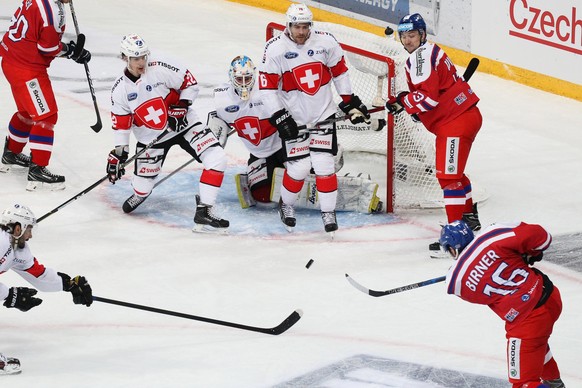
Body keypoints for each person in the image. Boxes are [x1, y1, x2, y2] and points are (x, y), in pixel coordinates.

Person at [212, 55, 382, 214]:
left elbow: (306, 106)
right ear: (231, 77)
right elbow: (218, 121)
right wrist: (215, 138)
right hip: (260, 153)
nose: (243, 83)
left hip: (285, 143)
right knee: (264, 197)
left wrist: (345, 110)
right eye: (239, 79)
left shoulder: (268, 91)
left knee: (307, 173)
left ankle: (329, 157)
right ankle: (280, 174)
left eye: (247, 78)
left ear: (254, 76)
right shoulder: (222, 99)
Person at [258, 3, 371, 234]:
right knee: (299, 168)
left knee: (324, 165)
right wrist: (279, 116)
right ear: (288, 25)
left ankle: (328, 212)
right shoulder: (275, 49)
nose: (301, 31)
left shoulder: (326, 42)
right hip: (294, 119)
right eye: (297, 26)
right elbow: (267, 88)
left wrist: (348, 101)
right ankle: (286, 205)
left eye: (305, 26)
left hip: (323, 116)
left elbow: (340, 71)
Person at [107, 34, 228, 233]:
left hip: (184, 125)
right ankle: (141, 192)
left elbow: (190, 82)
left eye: (143, 56)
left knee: (217, 158)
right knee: (142, 187)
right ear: (124, 58)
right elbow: (121, 126)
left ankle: (205, 210)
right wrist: (119, 154)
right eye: (136, 58)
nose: (141, 62)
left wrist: (181, 105)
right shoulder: (119, 90)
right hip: (151, 139)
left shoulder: (159, 68)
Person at [386, 13, 482, 250]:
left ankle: (456, 237)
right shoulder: (431, 51)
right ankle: (469, 218)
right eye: (404, 36)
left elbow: (428, 99)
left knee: (448, 178)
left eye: (412, 35)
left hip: (456, 123)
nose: (407, 41)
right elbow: (436, 93)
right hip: (462, 117)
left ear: (422, 35)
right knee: (455, 174)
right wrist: (411, 104)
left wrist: (404, 100)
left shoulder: (419, 58)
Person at [441, 220, 565, 388]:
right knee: (536, 345)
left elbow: (473, 288)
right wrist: (528, 253)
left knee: (523, 384)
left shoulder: (455, 281)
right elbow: (543, 237)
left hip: (528, 321)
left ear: (452, 249)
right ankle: (553, 382)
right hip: (550, 296)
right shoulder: (492, 235)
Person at [0, 0, 91, 191]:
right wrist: (71, 51)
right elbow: (47, 48)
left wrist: (70, 50)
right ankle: (38, 171)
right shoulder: (52, 11)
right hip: (28, 70)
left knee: (26, 111)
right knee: (46, 116)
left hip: (11, 61)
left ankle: (11, 154)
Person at [0, 203, 93, 375]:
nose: (31, 236)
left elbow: (39, 275)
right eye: (29, 229)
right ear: (18, 228)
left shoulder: (15, 249)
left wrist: (69, 285)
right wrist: (9, 295)